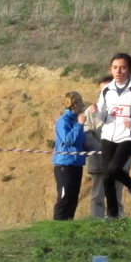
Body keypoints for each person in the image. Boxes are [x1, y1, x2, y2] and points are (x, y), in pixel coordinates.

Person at [89, 53, 131, 219]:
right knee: (107, 176)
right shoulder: (106, 90)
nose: (119, 71)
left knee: (114, 169)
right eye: (115, 67)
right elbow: (102, 115)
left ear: (130, 70)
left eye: (123, 67)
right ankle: (112, 215)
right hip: (108, 134)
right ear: (110, 70)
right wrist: (96, 113)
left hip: (129, 136)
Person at [84, 76, 126, 218]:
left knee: (117, 196)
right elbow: (87, 133)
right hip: (99, 161)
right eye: (102, 90)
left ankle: (116, 225)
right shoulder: (92, 110)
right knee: (97, 196)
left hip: (118, 162)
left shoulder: (125, 110)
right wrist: (103, 150)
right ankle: (97, 224)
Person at [52, 92, 87, 220]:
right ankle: (57, 226)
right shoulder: (64, 120)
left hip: (77, 165)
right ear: (74, 104)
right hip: (64, 165)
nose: (83, 105)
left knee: (73, 198)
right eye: (80, 102)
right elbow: (68, 139)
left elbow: (78, 141)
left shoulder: (76, 120)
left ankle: (68, 225)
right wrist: (79, 125)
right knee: (64, 197)